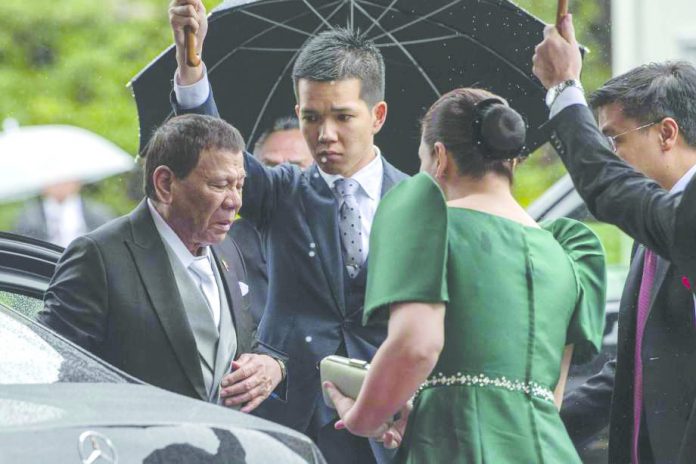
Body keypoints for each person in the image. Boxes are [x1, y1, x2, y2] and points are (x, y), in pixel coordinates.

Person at [169, 2, 408, 462]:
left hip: (384, 420)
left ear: (377, 115)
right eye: (312, 117)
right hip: (288, 415)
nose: (325, 135)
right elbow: (211, 144)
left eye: (343, 117)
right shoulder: (282, 191)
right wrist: (190, 65)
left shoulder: (419, 201)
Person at [325, 87, 606, 463]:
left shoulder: (426, 219)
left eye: (423, 159)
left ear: (439, 157)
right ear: (513, 163)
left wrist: (363, 417)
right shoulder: (566, 250)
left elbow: (416, 345)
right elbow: (549, 397)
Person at [533, 15, 696, 464]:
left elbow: (608, 188)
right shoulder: (655, 236)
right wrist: (531, 431)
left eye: (614, 140)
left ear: (666, 133)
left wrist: (564, 88)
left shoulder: (677, 224)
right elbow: (634, 372)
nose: (609, 159)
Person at [38, 114, 281, 407]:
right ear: (165, 183)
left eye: (239, 185)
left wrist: (271, 365)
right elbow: (58, 374)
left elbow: (239, 342)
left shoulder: (228, 249)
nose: (235, 201)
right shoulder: (98, 257)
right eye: (219, 185)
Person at [230, 116, 312, 324]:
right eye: (268, 166)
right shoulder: (224, 245)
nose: (281, 176)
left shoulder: (349, 243)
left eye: (295, 166)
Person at [14, 180, 114, 247]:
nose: (60, 184)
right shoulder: (30, 216)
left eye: (65, 179)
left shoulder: (98, 212)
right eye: (53, 179)